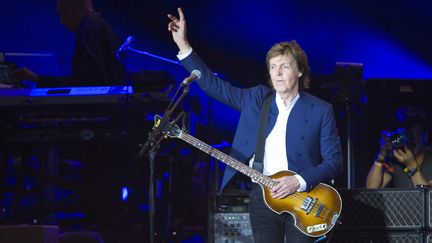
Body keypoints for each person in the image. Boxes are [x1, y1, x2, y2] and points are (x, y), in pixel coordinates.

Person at [167, 8, 343, 242]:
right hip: (263, 198)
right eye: (273, 67)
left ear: (300, 71)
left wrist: (298, 181)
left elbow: (334, 162)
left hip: (304, 199)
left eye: (285, 67)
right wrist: (183, 45)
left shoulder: (321, 110)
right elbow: (213, 85)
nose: (278, 73)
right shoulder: (256, 99)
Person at [13, 0, 123, 87]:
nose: (61, 21)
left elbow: (89, 82)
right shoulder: (99, 24)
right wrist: (36, 78)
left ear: (69, 9)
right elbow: (82, 78)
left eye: (60, 13)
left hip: (98, 110)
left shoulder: (88, 27)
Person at [366, 106, 432, 188]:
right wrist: (381, 155)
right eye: (408, 135)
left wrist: (412, 166)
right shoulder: (397, 159)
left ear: (425, 136)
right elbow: (371, 190)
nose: (412, 140)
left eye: (416, 134)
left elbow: (429, 198)